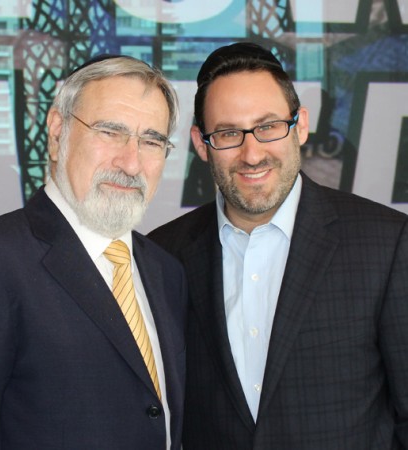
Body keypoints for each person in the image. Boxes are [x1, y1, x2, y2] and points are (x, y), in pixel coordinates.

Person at [148, 41, 408, 449]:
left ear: (300, 125)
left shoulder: (387, 243)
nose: (252, 154)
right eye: (229, 133)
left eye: (268, 126)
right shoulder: (161, 255)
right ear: (202, 144)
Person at [0, 55, 187, 450]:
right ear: (57, 131)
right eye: (110, 132)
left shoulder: (166, 271)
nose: (131, 162)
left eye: (151, 141)